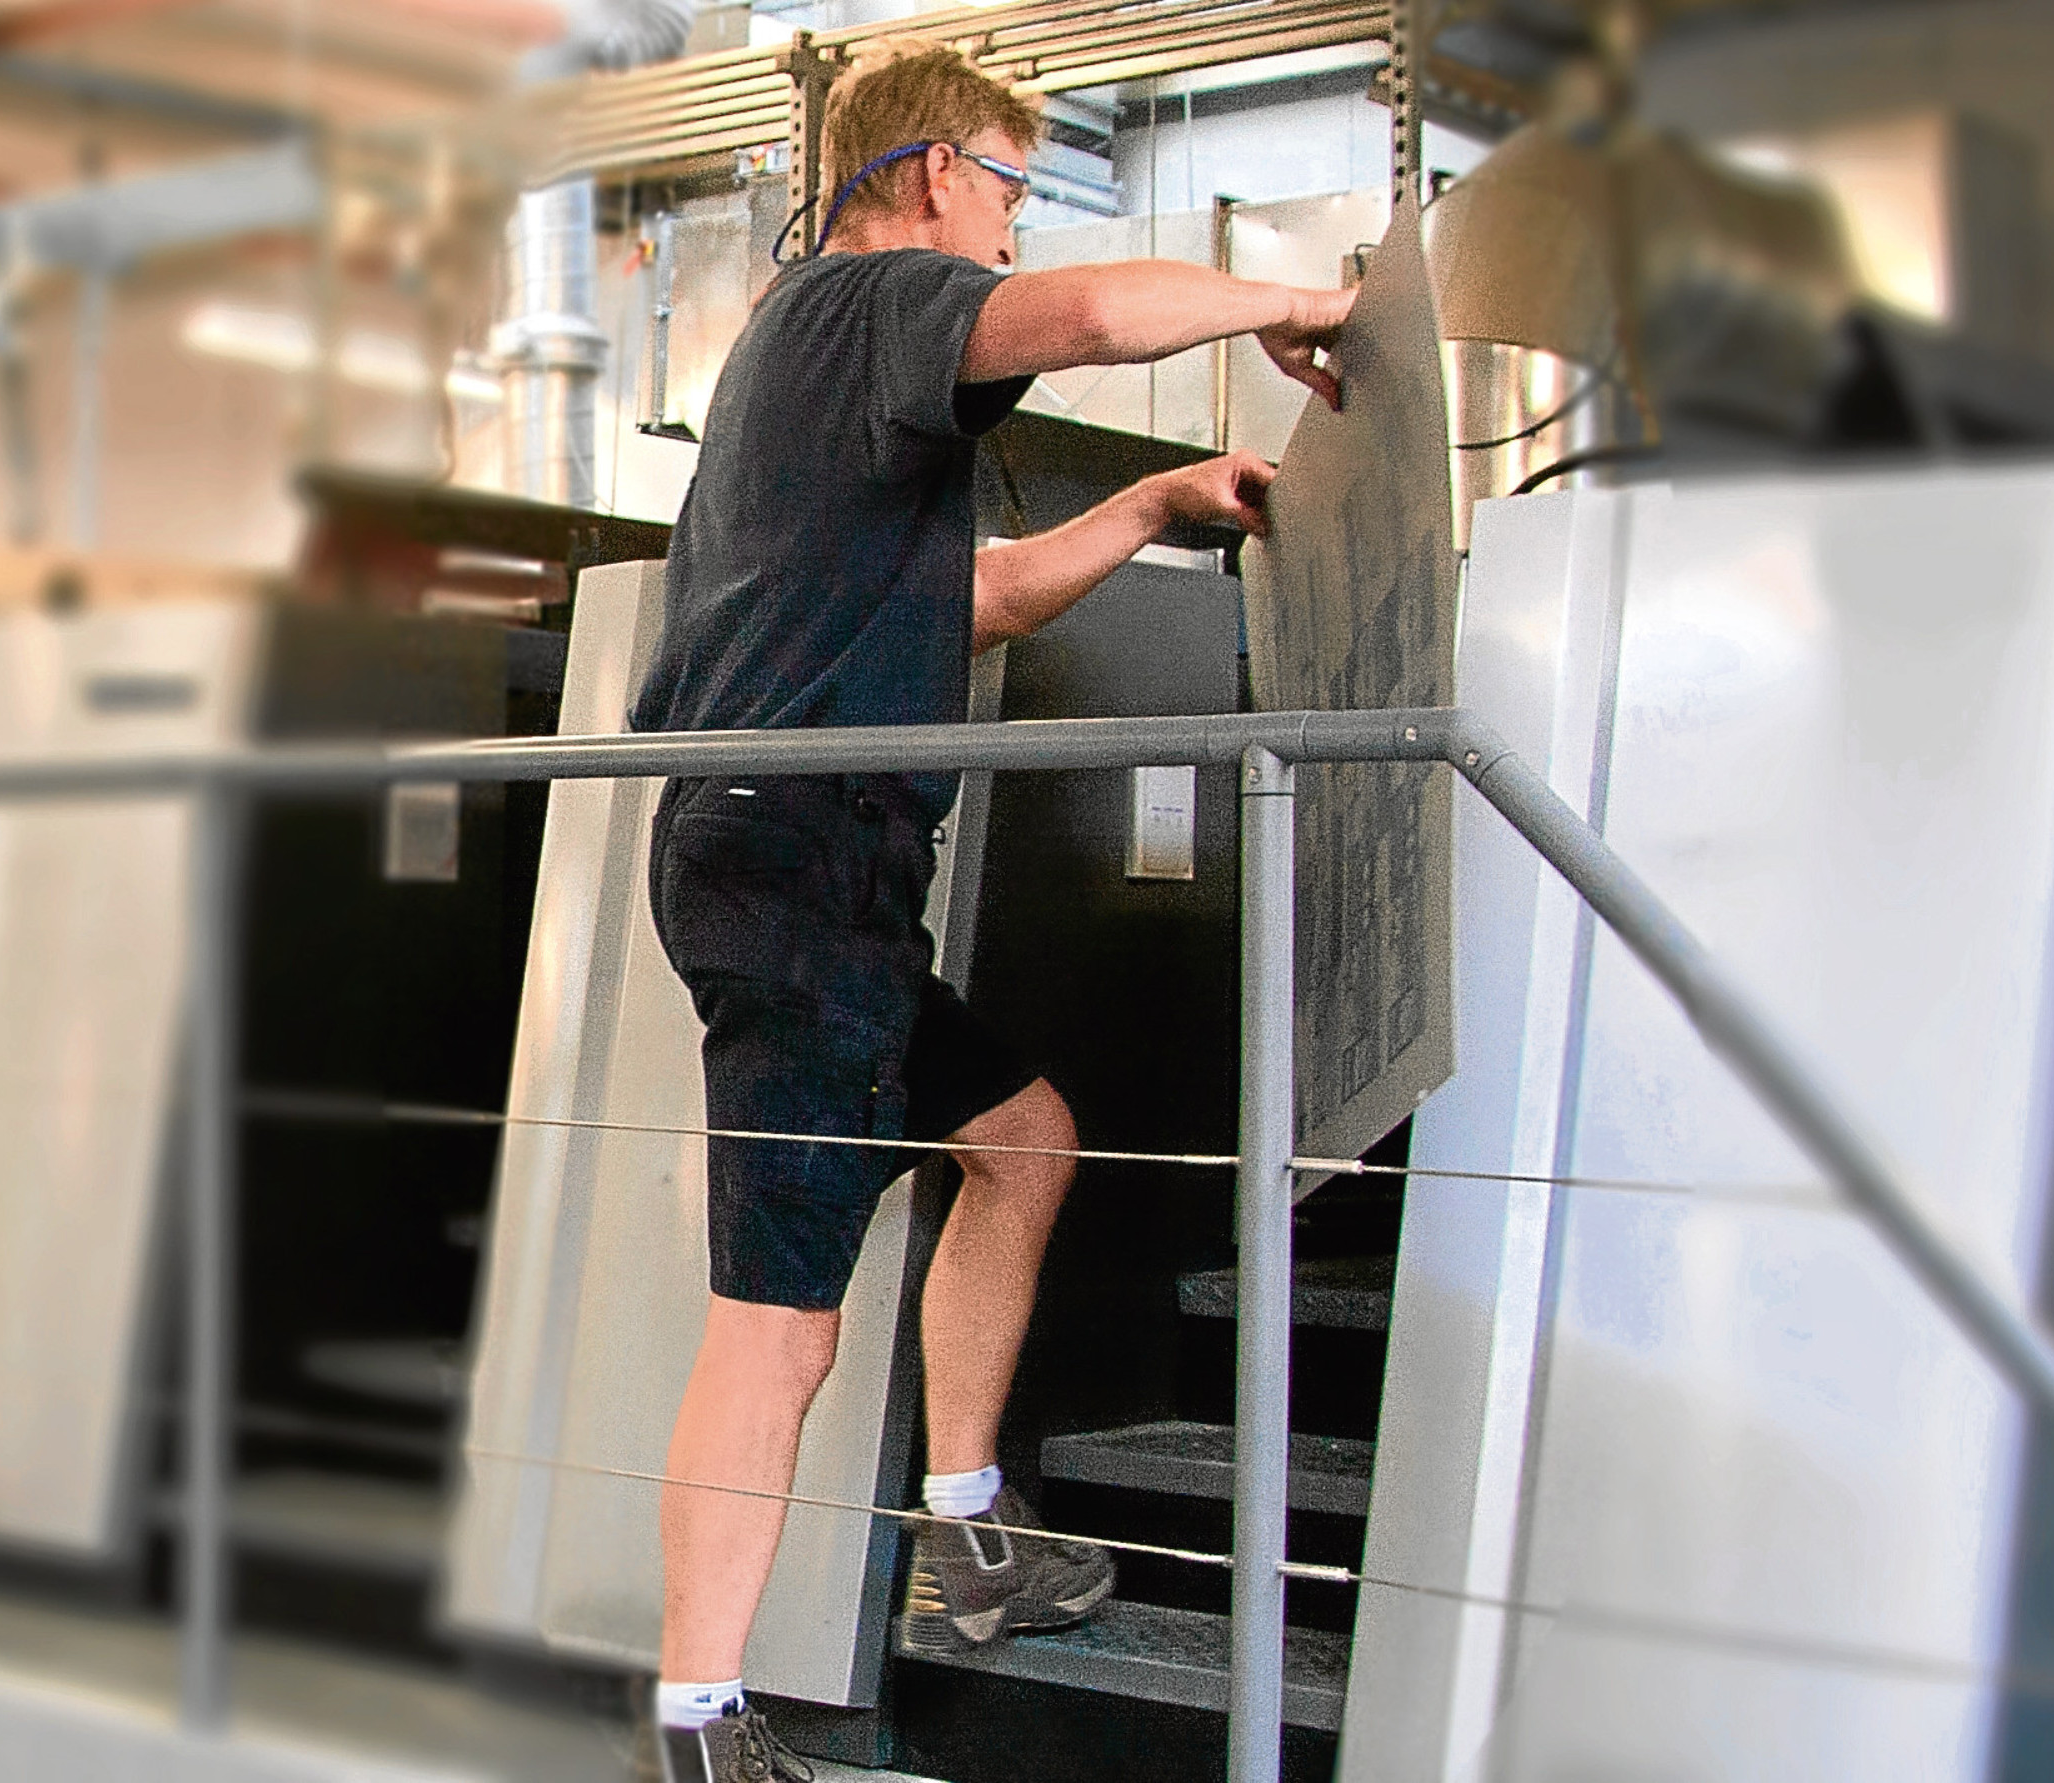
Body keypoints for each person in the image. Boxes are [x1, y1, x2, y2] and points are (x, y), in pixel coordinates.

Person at [628, 34, 1356, 1783]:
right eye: (1019, 189)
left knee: (1023, 1139)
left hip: (825, 868)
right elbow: (1094, 322)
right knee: (779, 1321)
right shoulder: (859, 307)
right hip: (793, 858)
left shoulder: (825, 385)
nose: (1018, 233)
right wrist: (1294, 300)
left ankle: (966, 1536)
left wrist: (1157, 501)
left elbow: (990, 600)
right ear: (938, 169)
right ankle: (701, 1728)